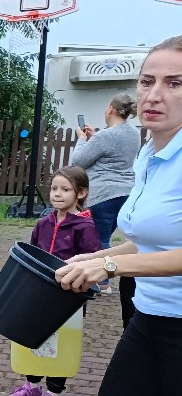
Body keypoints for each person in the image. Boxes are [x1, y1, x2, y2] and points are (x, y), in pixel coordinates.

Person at [39, 35, 182, 396]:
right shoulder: (149, 153)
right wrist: (95, 259)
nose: (154, 94)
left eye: (175, 84)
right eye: (148, 81)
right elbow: (148, 237)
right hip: (149, 321)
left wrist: (111, 262)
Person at [7, 166, 101, 396]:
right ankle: (32, 386)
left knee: (62, 344)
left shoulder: (84, 227)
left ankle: (54, 395)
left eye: (65, 189)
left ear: (81, 193)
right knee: (34, 338)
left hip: (68, 300)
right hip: (39, 295)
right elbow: (32, 254)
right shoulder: (44, 222)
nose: (57, 194)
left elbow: (92, 261)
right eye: (54, 188)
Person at [72, 93, 140, 294]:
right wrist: (95, 137)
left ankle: (100, 282)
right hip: (125, 193)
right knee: (105, 238)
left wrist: (83, 139)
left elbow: (78, 161)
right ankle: (103, 279)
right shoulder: (133, 133)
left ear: (111, 109)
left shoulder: (105, 136)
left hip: (103, 194)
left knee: (97, 240)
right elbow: (112, 153)